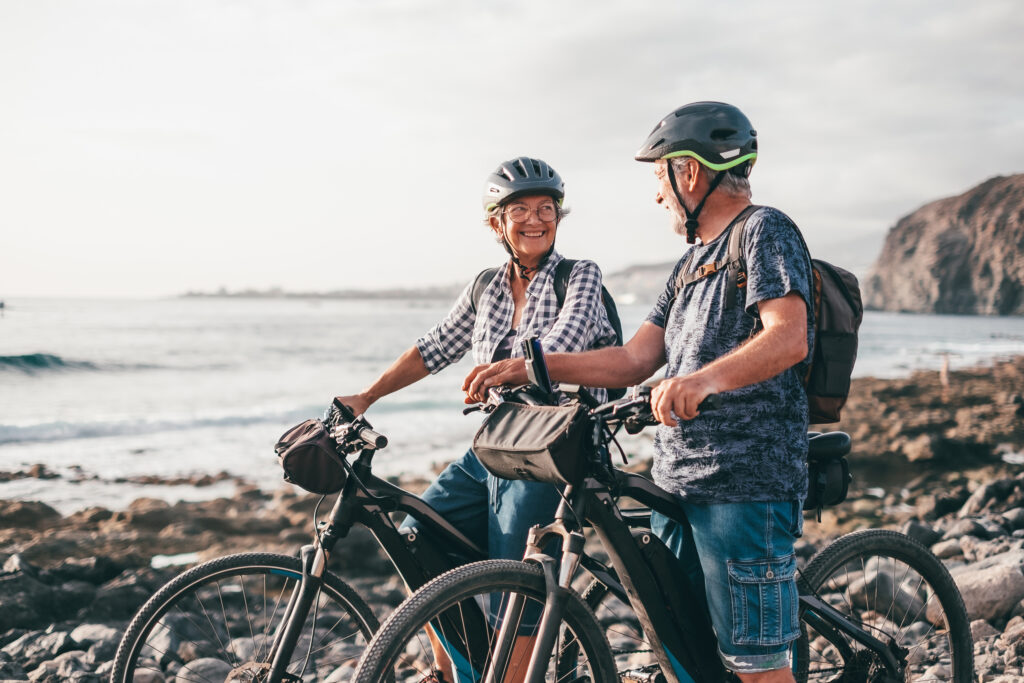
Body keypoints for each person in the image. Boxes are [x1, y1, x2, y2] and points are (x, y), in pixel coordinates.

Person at [463, 103, 814, 683]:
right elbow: (633, 359)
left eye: (660, 178)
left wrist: (702, 379)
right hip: (677, 483)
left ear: (690, 173)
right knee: (692, 656)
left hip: (744, 483)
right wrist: (532, 367)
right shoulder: (688, 265)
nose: (658, 196)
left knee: (755, 667)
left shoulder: (764, 230)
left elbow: (789, 335)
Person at [335, 156, 617, 678]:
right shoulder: (486, 285)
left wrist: (512, 370)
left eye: (546, 209)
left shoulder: (580, 276)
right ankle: (462, 671)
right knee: (417, 539)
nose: (535, 220)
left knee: (518, 586)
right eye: (520, 211)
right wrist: (367, 396)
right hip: (496, 443)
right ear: (496, 223)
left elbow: (563, 344)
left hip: (554, 450)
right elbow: (433, 348)